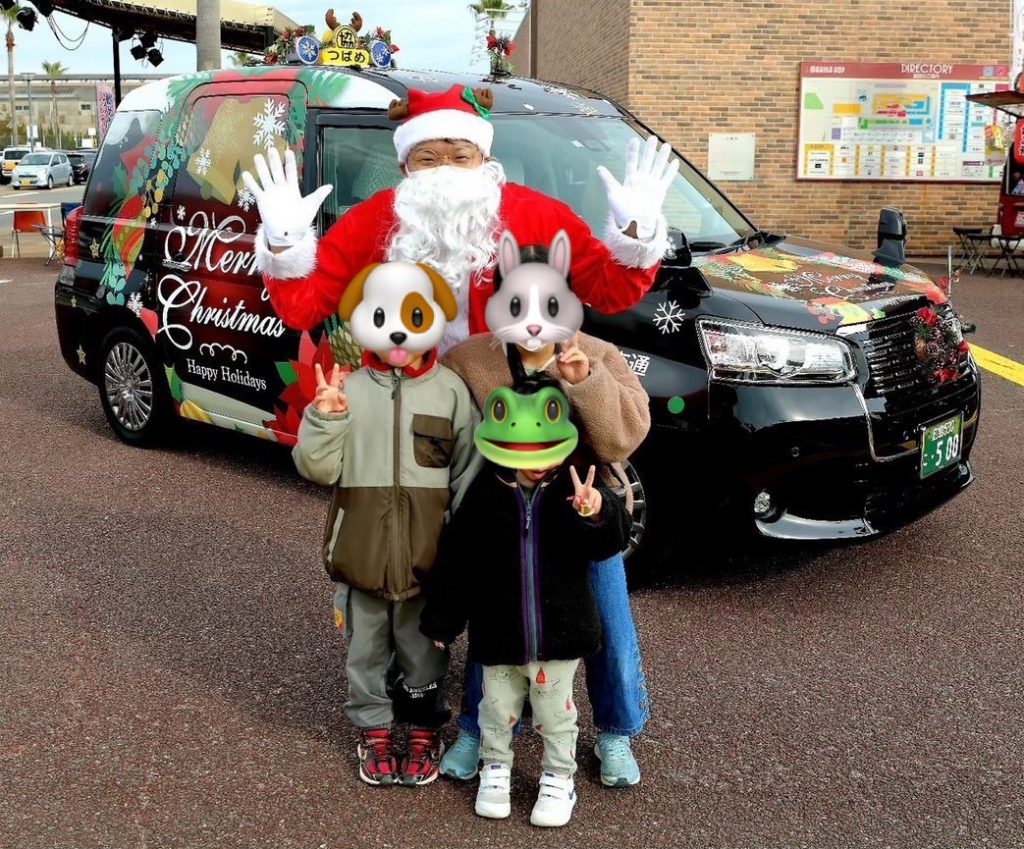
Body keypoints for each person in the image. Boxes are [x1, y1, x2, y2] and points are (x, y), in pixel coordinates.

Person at [242, 83, 679, 352]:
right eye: (428, 158)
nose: (445, 169)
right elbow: (304, 308)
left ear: (484, 159)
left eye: (460, 156)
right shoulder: (375, 219)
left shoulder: (539, 215)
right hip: (409, 401)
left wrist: (636, 234)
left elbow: (609, 292)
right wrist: (284, 243)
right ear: (405, 168)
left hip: (505, 402)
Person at [441, 236, 651, 787]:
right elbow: (449, 433)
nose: (534, 319)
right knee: (493, 620)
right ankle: (476, 728)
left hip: (582, 511)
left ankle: (615, 731)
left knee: (610, 621)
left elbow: (622, 440)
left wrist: (585, 384)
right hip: (506, 515)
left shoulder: (599, 354)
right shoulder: (469, 361)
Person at [291, 260, 478, 787]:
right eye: (382, 316)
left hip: (427, 560)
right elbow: (316, 468)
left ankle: (422, 728)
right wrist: (326, 418)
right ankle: (373, 729)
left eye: (413, 316)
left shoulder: (451, 392)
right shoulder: (350, 388)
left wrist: (457, 546)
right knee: (365, 651)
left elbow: (466, 475)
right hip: (362, 553)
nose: (398, 333)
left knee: (424, 653)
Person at [420, 377, 631, 827]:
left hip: (560, 633)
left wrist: (596, 512)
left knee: (556, 716)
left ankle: (558, 777)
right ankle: (495, 769)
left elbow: (610, 542)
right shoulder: (485, 492)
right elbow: (459, 561)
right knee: (495, 711)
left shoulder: (573, 490)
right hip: (498, 632)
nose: (536, 463)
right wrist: (442, 620)